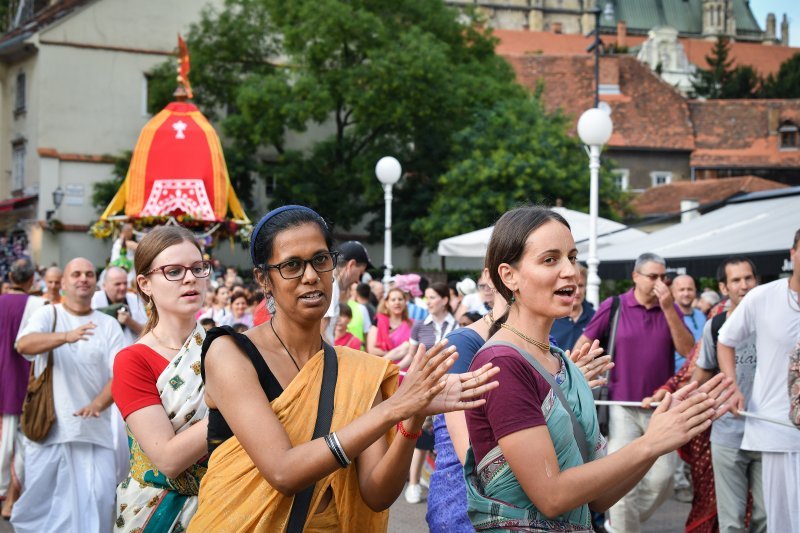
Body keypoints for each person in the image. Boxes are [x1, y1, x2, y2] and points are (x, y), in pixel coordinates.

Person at [188, 205, 499, 530]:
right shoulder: (230, 353)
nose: (311, 275)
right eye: (292, 265)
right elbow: (283, 472)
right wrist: (393, 408)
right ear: (263, 279)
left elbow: (377, 494)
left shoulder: (359, 372)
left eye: (320, 260)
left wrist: (413, 415)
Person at [464, 206, 726, 532]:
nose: (570, 271)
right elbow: (552, 496)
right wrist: (649, 443)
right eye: (550, 259)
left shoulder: (560, 361)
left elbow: (596, 501)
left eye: (572, 257)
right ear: (509, 276)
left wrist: (659, 440)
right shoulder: (503, 364)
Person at [575, 252, 695, 533]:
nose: (659, 283)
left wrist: (668, 308)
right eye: (652, 276)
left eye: (663, 277)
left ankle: (618, 521)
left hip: (659, 407)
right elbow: (584, 345)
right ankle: (621, 522)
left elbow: (688, 351)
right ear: (636, 277)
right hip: (621, 404)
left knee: (662, 480)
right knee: (621, 478)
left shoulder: (670, 307)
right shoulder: (615, 305)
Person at [13, 257, 125, 532]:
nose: (83, 278)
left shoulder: (108, 325)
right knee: (47, 509)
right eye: (76, 274)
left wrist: (97, 404)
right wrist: (65, 336)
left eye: (89, 273)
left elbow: (119, 373)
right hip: (51, 430)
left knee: (99, 500)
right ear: (63, 282)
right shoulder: (48, 315)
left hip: (94, 431)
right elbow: (24, 344)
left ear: (95, 283)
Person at [111, 226, 211, 531]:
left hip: (223, 503)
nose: (190, 278)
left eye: (198, 268)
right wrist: (239, 406)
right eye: (173, 271)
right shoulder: (133, 360)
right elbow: (167, 458)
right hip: (155, 512)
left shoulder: (225, 347)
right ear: (145, 284)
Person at [718, 229, 800, 533]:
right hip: (775, 429)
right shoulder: (764, 297)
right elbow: (724, 340)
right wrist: (732, 386)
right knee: (778, 521)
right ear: (792, 253)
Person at [693, 257, 765, 532]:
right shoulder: (715, 325)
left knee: (767, 517)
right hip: (726, 432)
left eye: (748, 278)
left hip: (768, 431)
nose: (744, 285)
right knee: (732, 522)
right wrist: (673, 396)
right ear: (724, 287)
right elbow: (701, 373)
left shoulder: (773, 321)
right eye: (736, 280)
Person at [405, 281, 458, 504]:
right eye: (426, 297)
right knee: (422, 437)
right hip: (425, 386)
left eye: (433, 297)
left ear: (445, 300)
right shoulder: (419, 325)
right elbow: (410, 357)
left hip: (449, 386)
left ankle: (437, 481)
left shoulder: (456, 325)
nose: (429, 302)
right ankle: (414, 484)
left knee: (446, 437)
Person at [0, 259, 43, 519]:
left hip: (5, 374)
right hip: (23, 377)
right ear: (30, 280)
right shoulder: (37, 305)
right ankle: (10, 491)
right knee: (20, 440)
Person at [321, 240, 373, 344]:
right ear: (351, 264)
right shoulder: (332, 285)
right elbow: (319, 334)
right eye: (360, 273)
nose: (358, 280)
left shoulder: (327, 281)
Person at [91, 265, 147, 347]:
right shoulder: (94, 300)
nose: (123, 287)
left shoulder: (133, 298)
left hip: (132, 350)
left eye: (125, 283)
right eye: (117, 284)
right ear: (104, 285)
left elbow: (146, 332)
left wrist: (130, 322)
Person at [550, 264, 594, 352]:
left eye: (581, 286)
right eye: (573, 285)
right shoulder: (548, 318)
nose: (577, 292)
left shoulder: (595, 317)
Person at [366, 287, 414, 369]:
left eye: (400, 299)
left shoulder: (412, 324)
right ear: (386, 303)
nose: (397, 302)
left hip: (405, 371)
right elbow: (372, 349)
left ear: (405, 302)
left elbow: (413, 350)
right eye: (393, 300)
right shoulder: (379, 321)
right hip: (382, 368)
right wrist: (396, 354)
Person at [672, 275, 707, 369]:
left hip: (700, 375)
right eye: (681, 290)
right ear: (673, 292)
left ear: (695, 291)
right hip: (676, 377)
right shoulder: (667, 317)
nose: (686, 293)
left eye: (690, 289)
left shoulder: (701, 315)